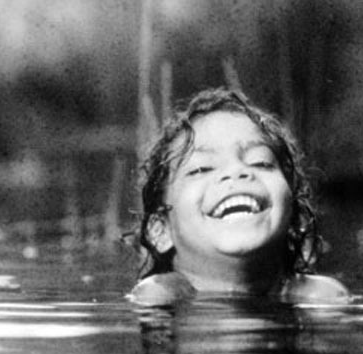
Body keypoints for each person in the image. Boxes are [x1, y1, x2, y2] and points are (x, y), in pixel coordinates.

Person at [128, 88, 350, 306]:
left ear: (296, 217)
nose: (235, 171)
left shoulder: (320, 297)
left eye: (260, 162)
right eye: (202, 168)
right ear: (160, 231)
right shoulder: (158, 295)